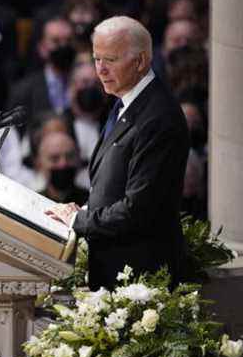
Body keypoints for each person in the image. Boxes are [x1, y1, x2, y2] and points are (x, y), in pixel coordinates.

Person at [47, 16, 189, 290]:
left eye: (110, 60)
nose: (100, 70)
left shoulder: (158, 117)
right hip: (115, 271)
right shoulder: (124, 102)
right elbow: (114, 183)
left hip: (140, 277)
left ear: (140, 61)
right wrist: (86, 210)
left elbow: (139, 209)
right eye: (96, 59)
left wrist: (79, 220)